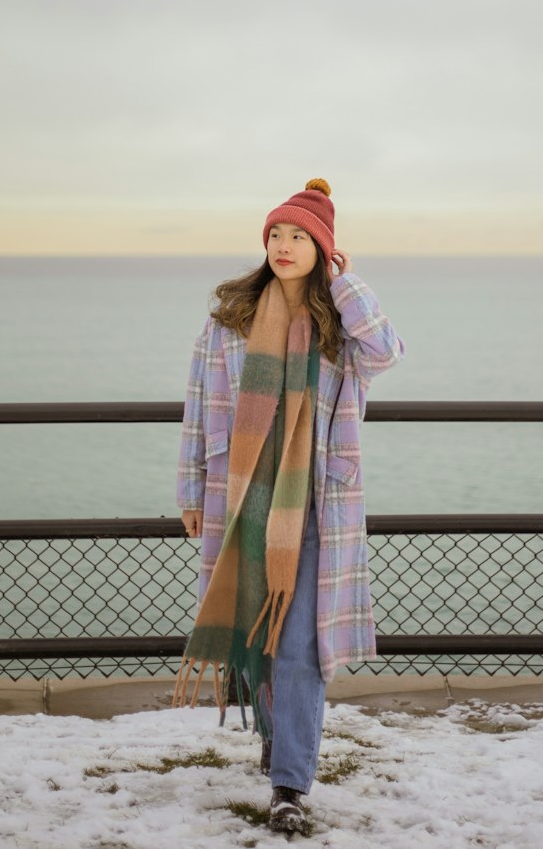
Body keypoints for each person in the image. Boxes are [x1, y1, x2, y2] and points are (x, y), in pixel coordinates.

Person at [172, 178, 405, 836]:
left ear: (322, 248)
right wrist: (191, 490)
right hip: (242, 502)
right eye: (275, 233)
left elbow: (389, 351)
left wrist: (346, 282)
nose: (282, 244)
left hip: (314, 508)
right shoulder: (228, 324)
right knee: (260, 641)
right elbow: (199, 408)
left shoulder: (341, 329)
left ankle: (288, 787)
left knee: (301, 647)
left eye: (298, 235)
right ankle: (280, 741)